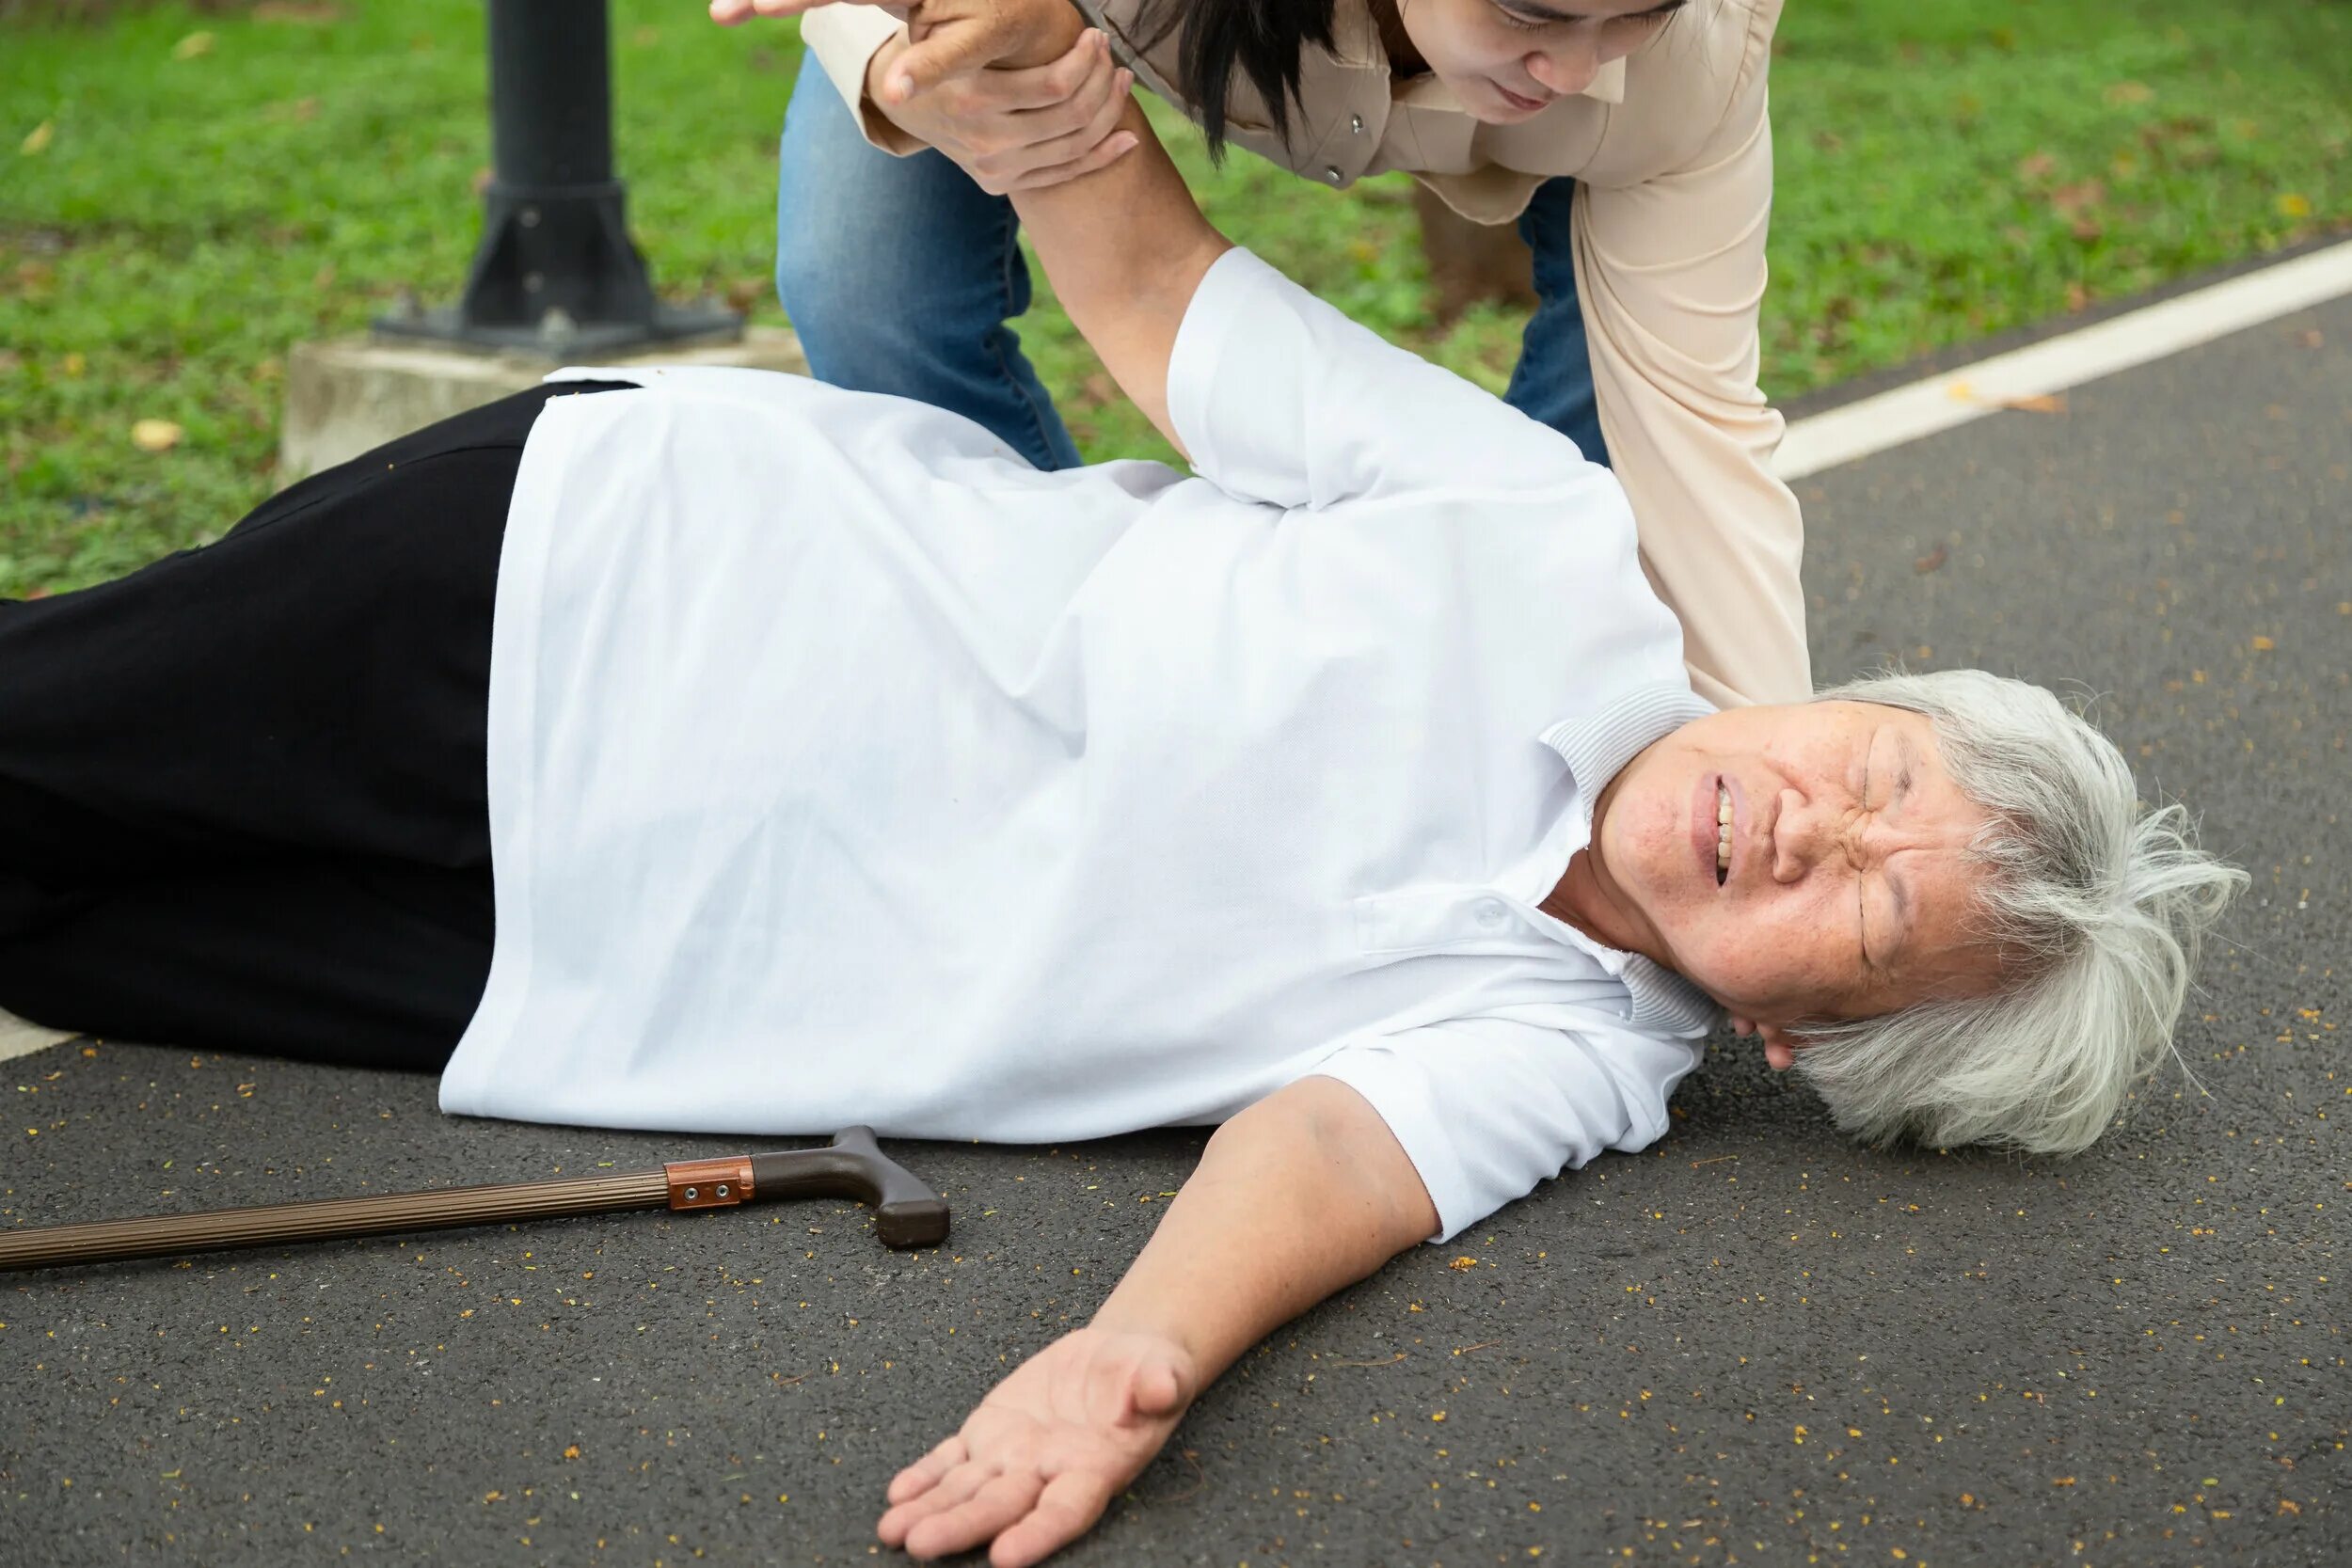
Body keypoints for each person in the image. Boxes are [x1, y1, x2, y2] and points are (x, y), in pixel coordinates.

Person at [1, 15, 2237, 1567]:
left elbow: (1329, 1156)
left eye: (1854, 916)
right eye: (1862, 774)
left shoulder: (1578, 1051)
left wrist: (1121, 1356)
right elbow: (1157, 288)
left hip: (576, 969)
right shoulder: (1542, 541)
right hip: (617, 584)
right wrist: (1013, 77)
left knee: (51, 911)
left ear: (1793, 1037)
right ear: (1842, 695)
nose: (1798, 827)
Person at [715, 0, 1810, 712]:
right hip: (1055, 21)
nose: (1570, 68)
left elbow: (1694, 428)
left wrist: (1773, 778)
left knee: (1596, 490)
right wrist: (912, 55)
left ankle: (1509, 726)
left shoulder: (1688, 67)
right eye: (1533, 14)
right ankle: (1053, 687)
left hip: (1617, 167)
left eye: (1627, 19)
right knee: (866, 292)